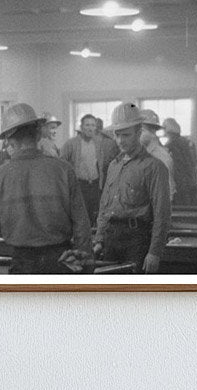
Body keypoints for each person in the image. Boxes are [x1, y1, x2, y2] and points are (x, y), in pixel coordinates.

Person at [0, 103, 93, 273]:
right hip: (62, 260)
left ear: (8, 139)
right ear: (38, 133)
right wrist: (85, 260)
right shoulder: (63, 170)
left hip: (22, 263)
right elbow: (81, 223)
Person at [93, 101, 171, 273]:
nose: (120, 141)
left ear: (139, 133)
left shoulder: (154, 167)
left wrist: (155, 252)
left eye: (126, 135)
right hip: (111, 239)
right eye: (117, 135)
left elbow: (162, 214)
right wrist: (99, 239)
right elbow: (105, 206)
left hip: (137, 241)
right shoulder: (113, 165)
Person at [59, 114, 112, 226]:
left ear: (96, 128)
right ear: (81, 127)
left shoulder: (99, 143)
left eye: (93, 125)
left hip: (95, 185)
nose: (90, 128)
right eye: (87, 125)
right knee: (81, 216)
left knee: (96, 215)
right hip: (79, 185)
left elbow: (102, 164)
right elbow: (61, 163)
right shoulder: (71, 143)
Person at [160, 117, 197, 205]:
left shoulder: (170, 146)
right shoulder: (189, 143)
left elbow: (172, 167)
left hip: (180, 186)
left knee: (182, 211)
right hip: (193, 182)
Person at [140, 109, 175, 201]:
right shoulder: (139, 153)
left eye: (142, 130)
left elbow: (166, 192)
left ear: (152, 132)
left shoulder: (161, 157)